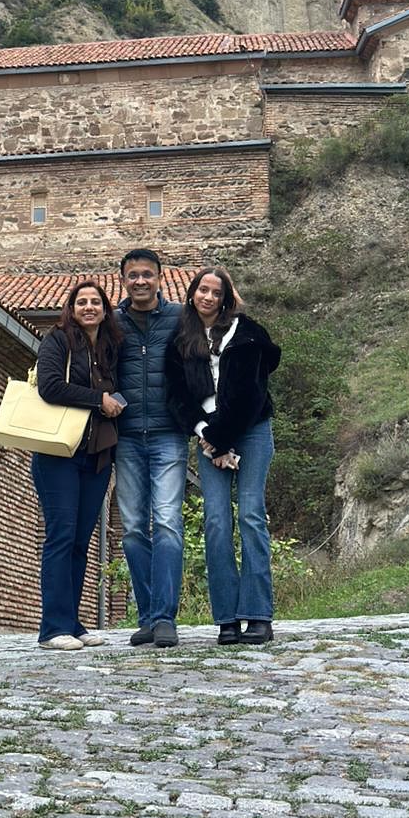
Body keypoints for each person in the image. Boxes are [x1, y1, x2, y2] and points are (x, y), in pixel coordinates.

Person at [166, 267, 282, 645]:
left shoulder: (247, 334)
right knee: (217, 522)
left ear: (226, 298)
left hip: (251, 429)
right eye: (203, 290)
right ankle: (227, 618)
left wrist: (221, 439)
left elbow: (251, 393)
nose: (209, 297)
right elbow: (177, 396)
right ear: (192, 294)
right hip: (207, 435)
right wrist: (206, 435)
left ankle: (258, 615)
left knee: (250, 515)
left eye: (217, 292)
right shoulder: (182, 340)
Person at [33, 280, 125, 651]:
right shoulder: (58, 341)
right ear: (71, 308)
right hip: (59, 454)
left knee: (81, 541)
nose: (89, 307)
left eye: (96, 302)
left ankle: (71, 621)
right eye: (81, 302)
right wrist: (98, 400)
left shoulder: (110, 347)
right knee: (61, 536)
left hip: (96, 455)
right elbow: (50, 387)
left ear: (105, 309)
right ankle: (52, 628)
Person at [114, 248, 185, 648]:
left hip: (168, 433)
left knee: (168, 523)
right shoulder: (113, 322)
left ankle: (165, 617)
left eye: (147, 275)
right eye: (133, 275)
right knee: (134, 529)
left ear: (160, 278)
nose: (140, 281)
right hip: (125, 436)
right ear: (123, 279)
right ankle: (148, 617)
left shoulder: (179, 318)